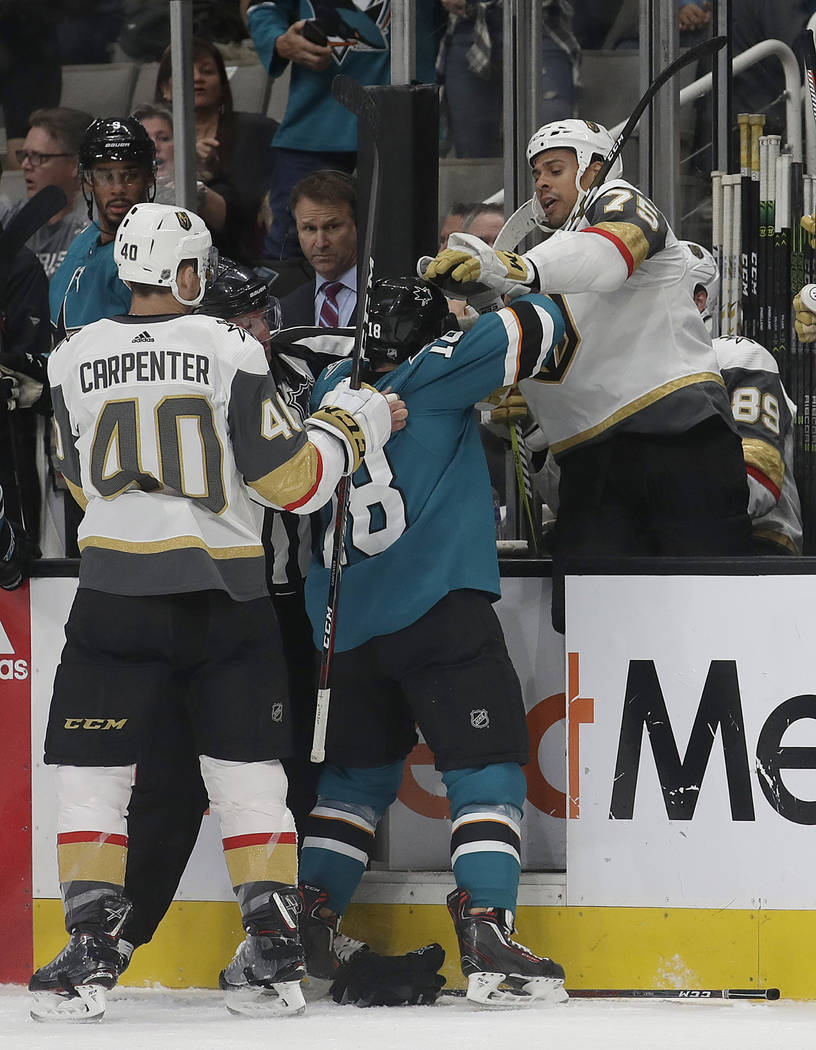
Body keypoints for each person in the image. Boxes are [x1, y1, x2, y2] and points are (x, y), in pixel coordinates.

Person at [28, 201, 402, 1023]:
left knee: (94, 781)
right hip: (224, 595)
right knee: (246, 776)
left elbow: (79, 481)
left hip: (113, 597)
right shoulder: (227, 347)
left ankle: (90, 943)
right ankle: (272, 949)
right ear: (189, 273)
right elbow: (293, 483)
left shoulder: (70, 356)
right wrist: (357, 421)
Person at [297, 275, 568, 1008]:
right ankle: (487, 932)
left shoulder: (327, 387)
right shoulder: (439, 367)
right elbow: (546, 323)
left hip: (344, 626)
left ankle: (306, 923)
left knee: (352, 786)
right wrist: (479, 299)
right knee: (486, 767)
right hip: (438, 613)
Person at [426, 117, 753, 631]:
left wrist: (514, 268)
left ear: (595, 168)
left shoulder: (619, 202)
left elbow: (606, 257)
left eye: (556, 168)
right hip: (591, 473)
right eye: (536, 173)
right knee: (589, 628)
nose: (541, 183)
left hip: (679, 445)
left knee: (714, 620)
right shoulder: (539, 277)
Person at [241, 0, 390, 260]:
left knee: (398, 239)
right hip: (315, 120)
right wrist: (278, 40)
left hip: (400, 120)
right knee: (293, 245)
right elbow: (262, 7)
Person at [680, 241, 801, 556]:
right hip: (675, 550)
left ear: (699, 299)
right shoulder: (635, 376)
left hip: (760, 550)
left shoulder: (738, 357)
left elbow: (757, 484)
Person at [154, 36, 279, 261]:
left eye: (207, 71)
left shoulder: (257, 130)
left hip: (241, 252)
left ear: (222, 84)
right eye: (185, 71)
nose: (197, 78)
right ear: (166, 88)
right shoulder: (153, 137)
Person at [49, 117, 157, 343]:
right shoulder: (85, 240)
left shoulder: (154, 253)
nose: (118, 188)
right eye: (105, 176)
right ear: (88, 180)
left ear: (149, 176)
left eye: (130, 175)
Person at [1, 108, 91, 280]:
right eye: (24, 155)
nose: (25, 165)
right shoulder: (12, 219)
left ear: (76, 164)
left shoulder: (95, 226)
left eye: (38, 157)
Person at [130, 102, 232, 239]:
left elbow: (229, 221)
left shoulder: (214, 187)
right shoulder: (120, 195)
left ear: (182, 145)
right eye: (144, 140)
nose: (154, 146)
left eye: (164, 138)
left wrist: (192, 191)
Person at [279, 170, 358, 328]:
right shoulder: (284, 309)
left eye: (332, 227)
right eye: (309, 228)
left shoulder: (390, 300)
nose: (321, 243)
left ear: (358, 226)